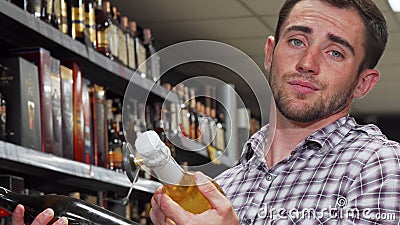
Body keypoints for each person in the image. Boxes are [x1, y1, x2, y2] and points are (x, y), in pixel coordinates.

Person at [150, 0, 400, 224]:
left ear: (363, 83)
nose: (307, 63)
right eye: (297, 41)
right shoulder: (226, 187)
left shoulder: (378, 166)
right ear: (270, 54)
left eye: (335, 52)